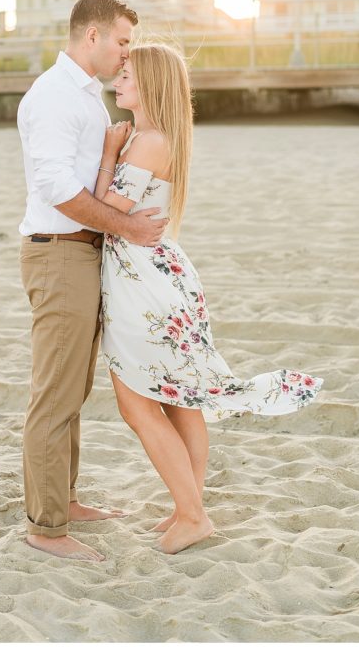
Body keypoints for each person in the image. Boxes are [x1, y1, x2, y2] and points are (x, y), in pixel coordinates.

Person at [95, 42, 325, 555]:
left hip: (146, 287)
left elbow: (105, 207)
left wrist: (109, 154)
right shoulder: (153, 136)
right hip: (158, 278)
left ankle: (194, 515)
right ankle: (186, 507)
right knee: (181, 399)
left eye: (128, 74)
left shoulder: (148, 140)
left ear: (151, 82)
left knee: (138, 405)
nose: (118, 79)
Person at [16, 0, 168, 564]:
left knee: (72, 386)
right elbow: (57, 187)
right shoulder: (57, 97)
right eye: (123, 40)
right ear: (93, 37)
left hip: (79, 254)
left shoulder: (86, 98)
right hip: (58, 253)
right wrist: (125, 226)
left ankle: (65, 500)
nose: (126, 53)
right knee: (55, 392)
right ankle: (47, 528)